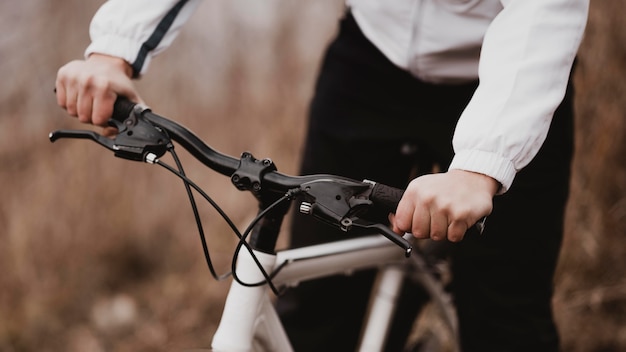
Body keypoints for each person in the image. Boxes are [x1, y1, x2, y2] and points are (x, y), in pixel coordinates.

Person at [55, 0, 589, 351]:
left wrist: (480, 165)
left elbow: (544, 13)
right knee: (318, 311)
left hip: (506, 84)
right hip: (370, 65)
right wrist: (113, 52)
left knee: (506, 322)